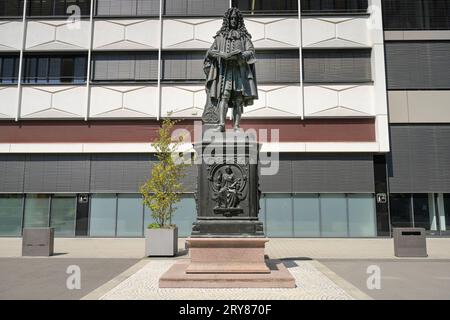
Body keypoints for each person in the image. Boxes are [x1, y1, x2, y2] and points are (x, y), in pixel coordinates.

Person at [203, 7, 258, 132]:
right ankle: (221, 124)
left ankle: (236, 126)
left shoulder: (244, 37)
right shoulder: (220, 36)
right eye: (231, 18)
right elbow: (210, 52)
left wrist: (242, 55)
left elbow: (251, 51)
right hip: (225, 71)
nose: (233, 20)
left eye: (235, 18)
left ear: (239, 20)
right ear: (227, 20)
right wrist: (220, 54)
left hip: (239, 71)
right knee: (224, 96)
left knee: (238, 99)